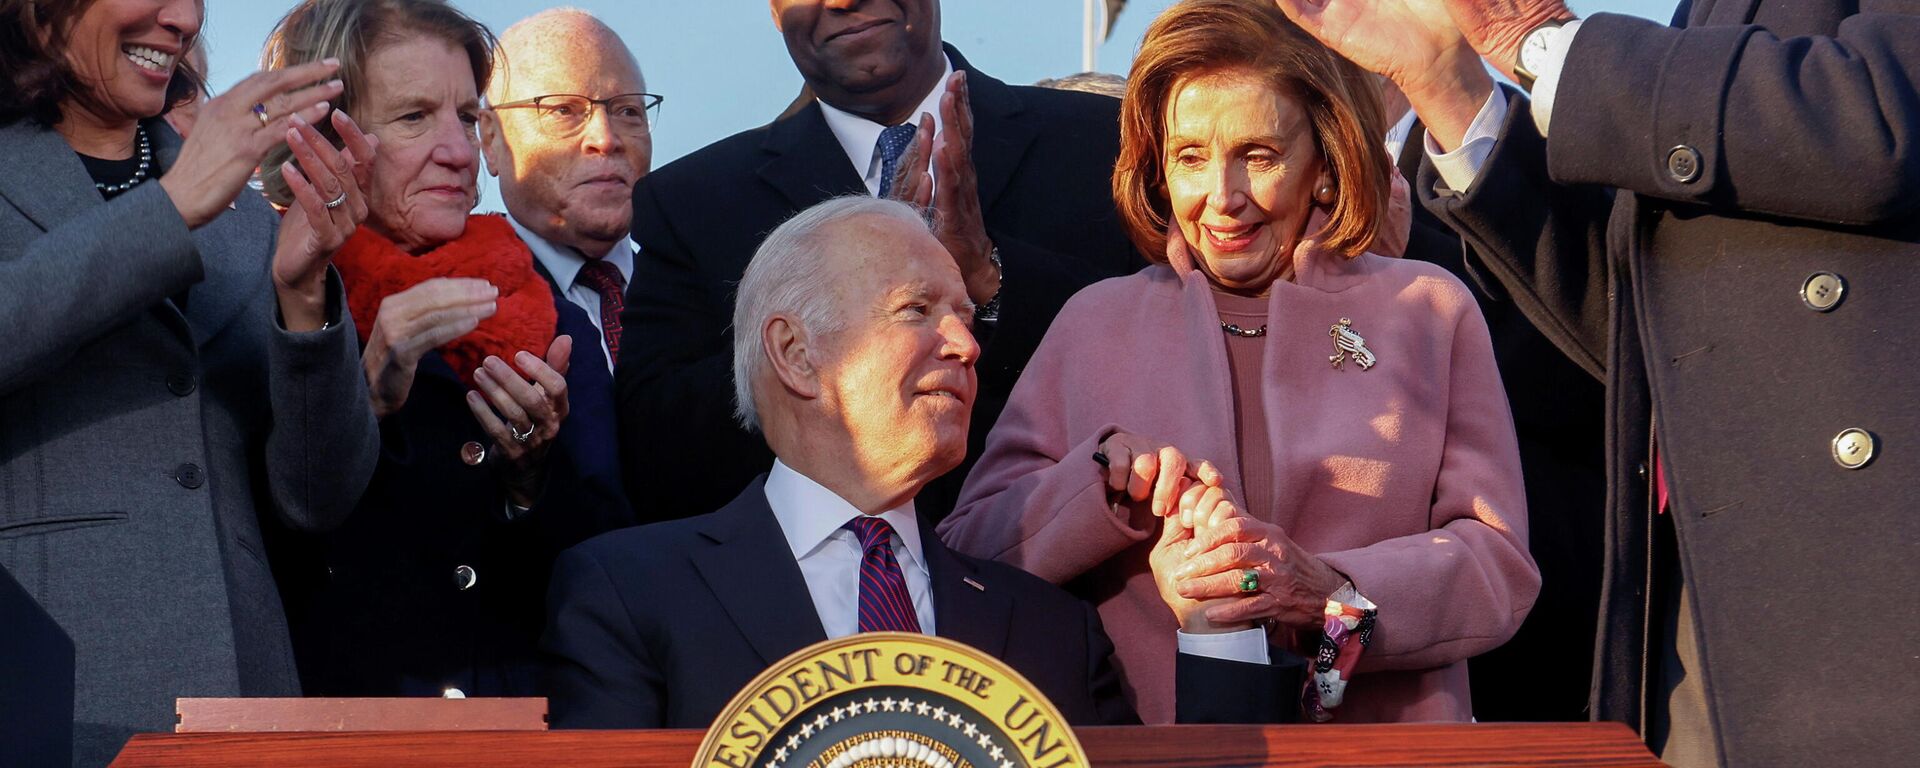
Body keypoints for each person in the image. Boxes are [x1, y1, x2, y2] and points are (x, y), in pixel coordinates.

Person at [1275, 0, 1920, 764]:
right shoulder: (1128, 318)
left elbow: (1886, 111)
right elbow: (1648, 326)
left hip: (1860, 624)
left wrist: (1541, 42)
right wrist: (1449, 84)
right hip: (1701, 636)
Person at [940, 0, 1540, 725]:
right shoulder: (1094, 321)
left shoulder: (1428, 311)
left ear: (1325, 160)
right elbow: (966, 555)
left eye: (1257, 155)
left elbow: (1497, 568)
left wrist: (1325, 593)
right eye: (1190, 157)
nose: (1222, 199)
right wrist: (1100, 490)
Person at [544, 196, 1304, 729]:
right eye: (918, 310)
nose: (967, 346)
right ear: (796, 353)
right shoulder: (631, 594)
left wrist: (1215, 630)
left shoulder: (1047, 628)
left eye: (967, 319)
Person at [0, 0, 379, 761]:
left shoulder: (241, 211)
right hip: (42, 699)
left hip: (245, 704)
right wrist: (167, 214)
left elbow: (317, 496)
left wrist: (304, 300)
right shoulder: (195, 190)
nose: (182, 17)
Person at [618, 0, 1141, 524]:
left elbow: (1169, 342)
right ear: (774, 11)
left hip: (1069, 579)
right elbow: (657, 456)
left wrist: (989, 276)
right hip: (809, 595)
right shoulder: (694, 202)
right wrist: (837, 322)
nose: (843, 1)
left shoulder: (1106, 141)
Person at [260, 0, 630, 699]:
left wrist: (528, 481)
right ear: (321, 138)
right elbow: (255, 553)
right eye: (412, 118)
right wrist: (361, 398)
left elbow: (609, 561)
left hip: (522, 730)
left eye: (465, 117)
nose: (460, 152)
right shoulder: (257, 297)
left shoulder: (534, 298)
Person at [1378, 74, 1606, 722]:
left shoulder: (1543, 139)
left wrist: (1390, 260)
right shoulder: (1221, 168)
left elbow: (1593, 361)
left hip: (1534, 680)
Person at [479, 8, 654, 378]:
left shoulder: (699, 292)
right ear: (491, 139)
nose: (605, 139)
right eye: (563, 110)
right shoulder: (460, 299)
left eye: (628, 111)